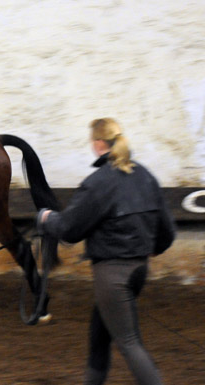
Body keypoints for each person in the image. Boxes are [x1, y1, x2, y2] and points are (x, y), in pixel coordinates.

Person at [37, 118, 175, 385]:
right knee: (99, 335)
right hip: (138, 269)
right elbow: (167, 229)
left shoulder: (98, 182)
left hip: (112, 275)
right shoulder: (144, 175)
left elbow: (69, 228)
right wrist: (150, 248)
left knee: (129, 342)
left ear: (98, 143)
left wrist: (45, 219)